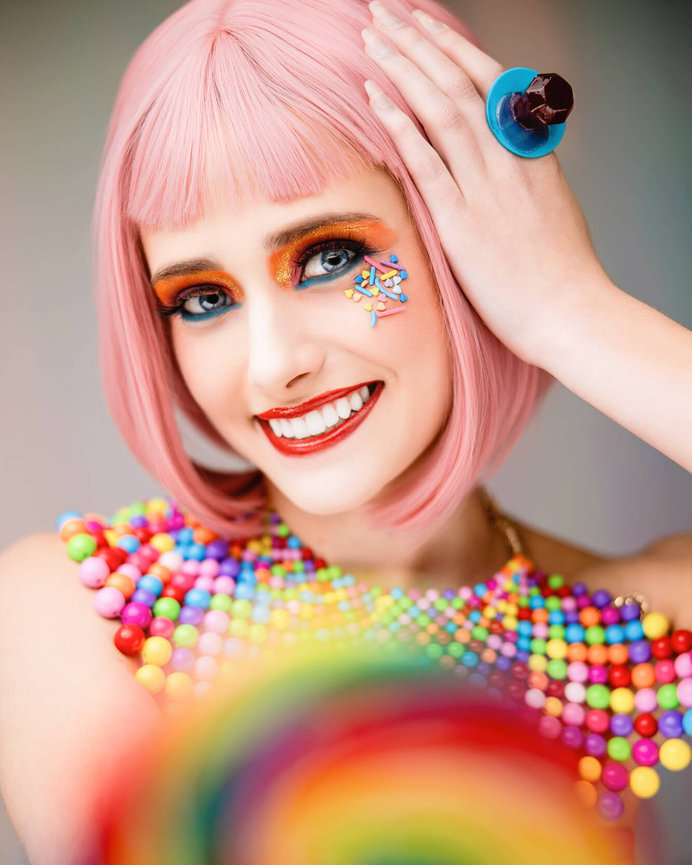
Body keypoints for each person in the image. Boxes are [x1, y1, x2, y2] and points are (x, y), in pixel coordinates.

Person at [0, 0, 690, 863]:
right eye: (202, 298)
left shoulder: (639, 619)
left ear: (467, 242)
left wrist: (571, 310)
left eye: (329, 257)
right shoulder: (79, 610)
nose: (269, 366)